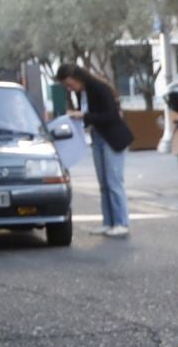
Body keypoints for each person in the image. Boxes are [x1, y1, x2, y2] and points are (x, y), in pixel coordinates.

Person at [54, 63, 133, 238]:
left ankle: (121, 223)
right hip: (97, 138)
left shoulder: (98, 88)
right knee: (104, 184)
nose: (69, 87)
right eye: (66, 85)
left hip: (112, 138)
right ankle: (109, 222)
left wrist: (83, 116)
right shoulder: (82, 92)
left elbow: (111, 115)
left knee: (114, 182)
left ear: (77, 78)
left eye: (69, 83)